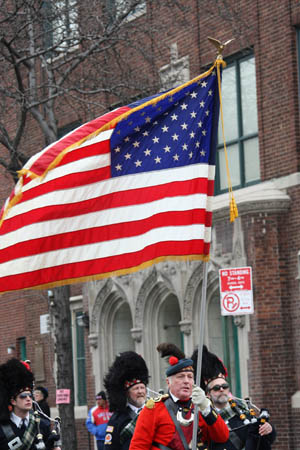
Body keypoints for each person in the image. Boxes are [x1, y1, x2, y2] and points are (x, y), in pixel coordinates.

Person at [129, 343, 229, 450]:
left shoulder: (202, 406)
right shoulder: (154, 408)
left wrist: (206, 407)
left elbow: (222, 437)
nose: (186, 381)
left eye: (190, 377)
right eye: (180, 377)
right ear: (168, 382)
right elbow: (138, 447)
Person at [192, 346, 276, 450]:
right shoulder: (203, 417)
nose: (222, 389)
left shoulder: (242, 408)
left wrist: (269, 429)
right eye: (217, 388)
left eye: (225, 386)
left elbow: (262, 440)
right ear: (207, 393)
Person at [0, 358, 61, 450]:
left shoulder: (43, 425)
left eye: (29, 395)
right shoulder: (2, 428)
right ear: (13, 401)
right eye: (23, 396)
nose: (28, 399)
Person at [103, 351, 149, 450]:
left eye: (142, 387)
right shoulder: (117, 420)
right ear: (127, 393)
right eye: (136, 389)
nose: (140, 392)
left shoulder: (154, 411)